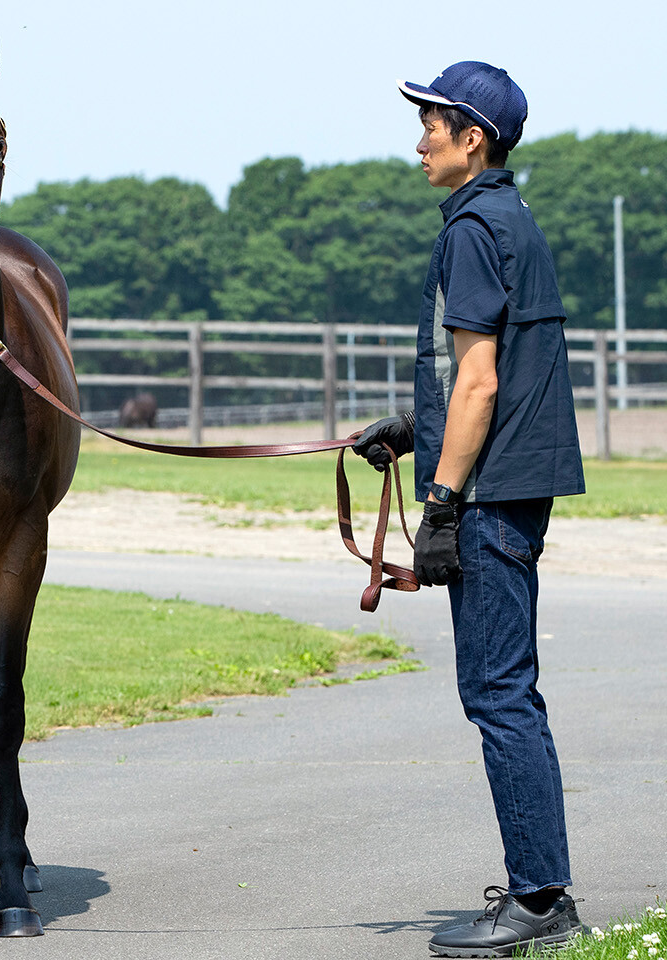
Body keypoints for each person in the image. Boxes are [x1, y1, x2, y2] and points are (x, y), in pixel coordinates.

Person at [352, 61, 586, 958]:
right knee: (508, 692)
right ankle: (540, 890)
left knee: (497, 695)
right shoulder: (512, 221)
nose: (419, 144)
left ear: (472, 138)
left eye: (432, 127)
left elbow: (481, 381)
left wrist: (443, 501)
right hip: (507, 487)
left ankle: (539, 902)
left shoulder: (470, 230)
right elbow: (490, 378)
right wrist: (419, 427)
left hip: (488, 501)